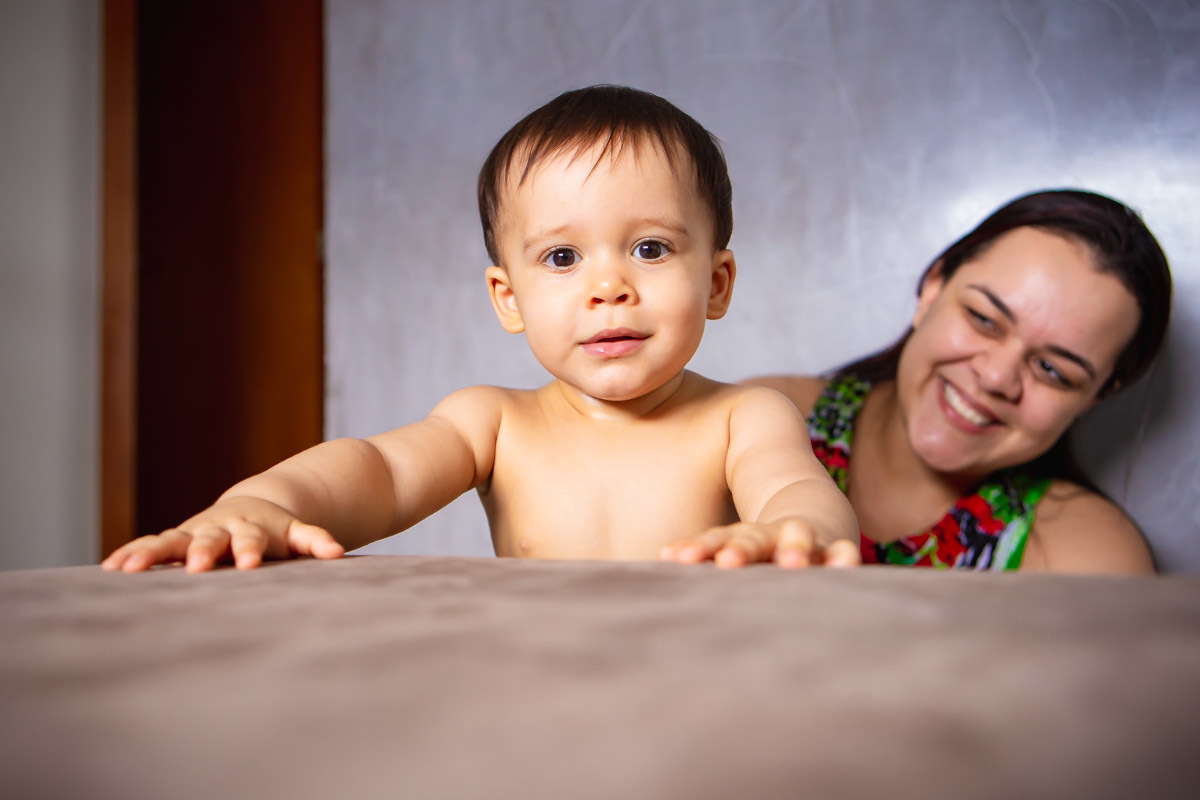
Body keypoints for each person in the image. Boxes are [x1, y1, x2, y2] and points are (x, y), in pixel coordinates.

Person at [102, 85, 860, 574]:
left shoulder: (741, 419)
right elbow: (379, 470)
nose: (608, 288)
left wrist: (792, 531)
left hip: (698, 685)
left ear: (717, 282)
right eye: (562, 257)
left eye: (650, 248)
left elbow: (797, 489)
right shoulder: (495, 423)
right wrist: (264, 502)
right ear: (509, 298)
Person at [661, 189, 1172, 573]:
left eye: (1054, 371)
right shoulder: (756, 422)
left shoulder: (1090, 556)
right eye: (984, 319)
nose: (995, 377)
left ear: (1097, 395)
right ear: (933, 286)